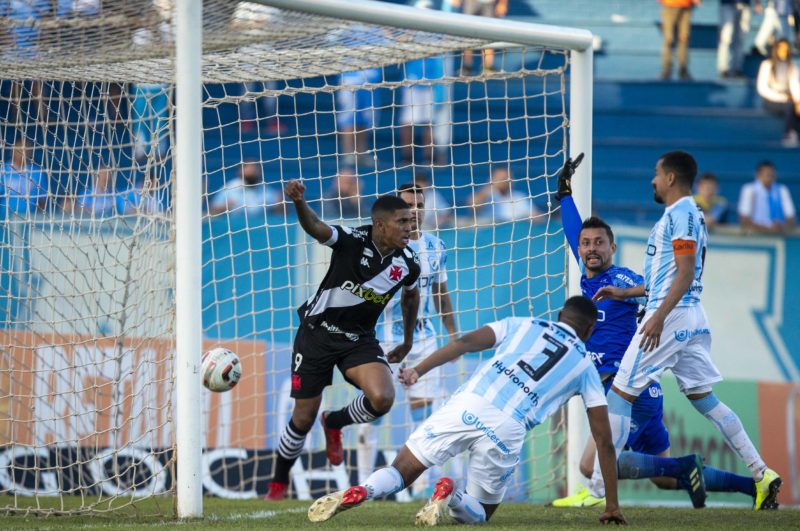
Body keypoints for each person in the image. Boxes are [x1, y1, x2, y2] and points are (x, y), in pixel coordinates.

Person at [306, 296, 627, 526]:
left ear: (559, 315)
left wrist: (419, 369)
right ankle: (452, 495)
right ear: (588, 332)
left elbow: (466, 342)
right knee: (482, 512)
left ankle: (365, 489)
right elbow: (604, 440)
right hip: (508, 426)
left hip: (469, 402)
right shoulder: (585, 366)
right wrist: (611, 504)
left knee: (403, 468)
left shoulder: (522, 323)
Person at [552, 157, 760, 509]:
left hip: (631, 389)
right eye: (585, 244)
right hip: (634, 390)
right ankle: (753, 487)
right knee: (664, 478)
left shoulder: (624, 280)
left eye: (599, 243)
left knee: (591, 464)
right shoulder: (588, 279)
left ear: (612, 248)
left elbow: (658, 287)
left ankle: (613, 490)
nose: (590, 248)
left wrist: (653, 308)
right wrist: (564, 195)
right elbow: (573, 228)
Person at [265, 184, 421, 501]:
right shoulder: (352, 240)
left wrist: (406, 341)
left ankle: (334, 422)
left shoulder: (408, 263)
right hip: (317, 333)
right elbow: (315, 227)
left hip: (359, 339)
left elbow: (411, 296)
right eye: (402, 221)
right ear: (380, 224)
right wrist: (299, 201)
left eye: (411, 220)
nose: (410, 226)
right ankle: (278, 484)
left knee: (382, 398)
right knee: (303, 417)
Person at [358, 183, 459, 495]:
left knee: (425, 421)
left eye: (420, 205)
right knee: (372, 414)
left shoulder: (437, 247)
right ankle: (364, 487)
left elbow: (441, 292)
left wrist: (454, 334)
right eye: (408, 206)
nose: (415, 211)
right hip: (382, 344)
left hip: (424, 342)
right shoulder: (380, 249)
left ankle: (421, 491)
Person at [399, 51, 446, 166]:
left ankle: (430, 158)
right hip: (411, 83)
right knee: (407, 122)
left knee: (428, 123)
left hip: (431, 84)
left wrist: (439, 93)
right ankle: (407, 158)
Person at [755, 38, 800, 147]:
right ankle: (788, 135)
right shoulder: (767, 65)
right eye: (782, 49)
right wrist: (782, 97)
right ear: (776, 50)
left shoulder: (792, 66)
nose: (784, 52)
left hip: (788, 98)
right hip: (771, 100)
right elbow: (763, 88)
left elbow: (795, 86)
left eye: (786, 50)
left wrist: (798, 101)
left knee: (796, 106)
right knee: (789, 106)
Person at [336, 67, 381, 168]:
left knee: (366, 119)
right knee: (349, 118)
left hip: (370, 82)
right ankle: (348, 153)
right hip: (350, 82)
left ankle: (361, 153)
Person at [737, 160, 796, 233]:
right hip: (755, 235)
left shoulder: (782, 190)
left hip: (778, 235)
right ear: (758, 175)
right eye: (767, 175)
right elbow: (744, 219)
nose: (770, 178)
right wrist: (765, 229)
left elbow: (791, 218)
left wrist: (781, 227)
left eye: (772, 175)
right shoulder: (749, 190)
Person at [451, 0, 508, 73]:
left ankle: (488, 67)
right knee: (468, 33)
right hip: (471, 2)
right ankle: (467, 66)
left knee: (489, 34)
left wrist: (502, 3)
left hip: (489, 3)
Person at [208, 160, 281, 216]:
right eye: (248, 168)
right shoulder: (229, 188)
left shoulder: (266, 190)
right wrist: (224, 207)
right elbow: (212, 210)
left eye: (254, 168)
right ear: (240, 171)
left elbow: (280, 212)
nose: (252, 171)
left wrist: (280, 205)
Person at [0, 137, 49, 216]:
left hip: (28, 218)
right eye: (19, 150)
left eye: (25, 150)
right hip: (5, 218)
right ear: (12, 151)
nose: (22, 153)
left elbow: (42, 200)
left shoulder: (37, 173)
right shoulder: (3, 170)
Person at [469, 166, 537, 222]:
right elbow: (473, 206)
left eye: (506, 178)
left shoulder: (520, 196)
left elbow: (535, 215)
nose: (504, 181)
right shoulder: (487, 195)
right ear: (492, 179)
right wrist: (489, 186)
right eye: (500, 178)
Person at [659, 0, 702, 80]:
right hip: (669, 5)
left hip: (686, 6)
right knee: (669, 39)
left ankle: (683, 68)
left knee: (684, 38)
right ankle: (667, 68)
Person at [718, 0, 762, 79]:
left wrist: (757, 3)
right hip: (728, 4)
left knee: (741, 38)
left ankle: (737, 69)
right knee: (726, 37)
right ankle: (723, 68)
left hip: (744, 4)